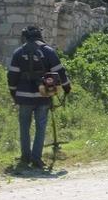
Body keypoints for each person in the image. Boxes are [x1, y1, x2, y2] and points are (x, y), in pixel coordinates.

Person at [7, 26, 71, 168]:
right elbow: (60, 72)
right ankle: (36, 158)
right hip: (43, 95)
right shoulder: (48, 51)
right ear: (39, 36)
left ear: (25, 37)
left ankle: (25, 157)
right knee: (40, 127)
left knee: (24, 127)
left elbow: (12, 76)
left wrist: (13, 93)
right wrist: (67, 87)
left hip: (23, 96)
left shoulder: (18, 52)